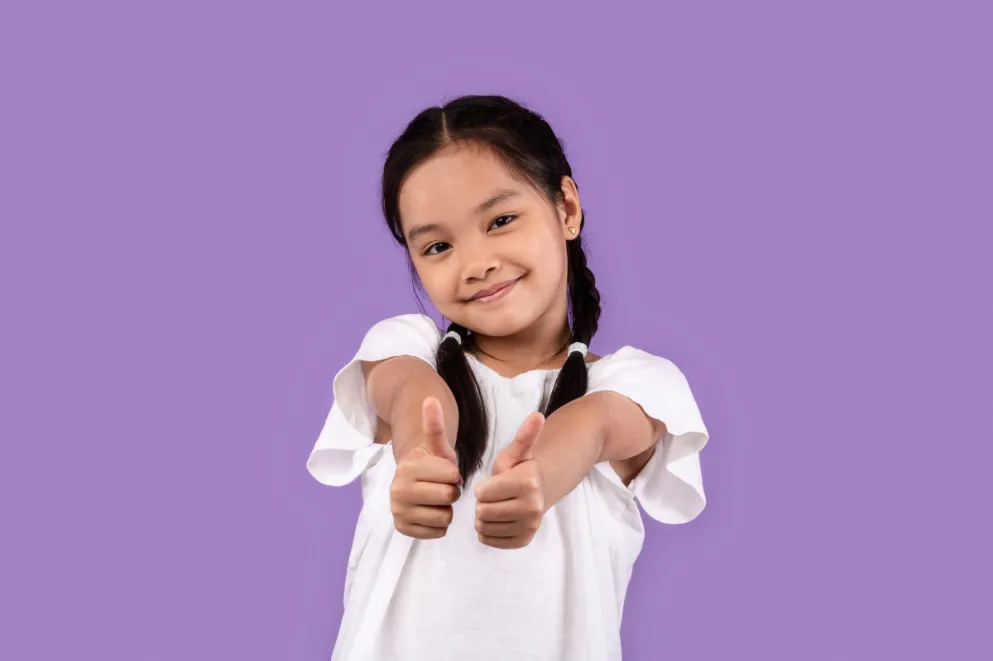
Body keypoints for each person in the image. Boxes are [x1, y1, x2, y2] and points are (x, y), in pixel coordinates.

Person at [307, 94, 710, 661]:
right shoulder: (404, 347)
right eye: (438, 246)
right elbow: (408, 394)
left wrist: (539, 481)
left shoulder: (636, 383)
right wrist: (421, 453)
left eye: (500, 220)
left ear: (566, 208)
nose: (476, 263)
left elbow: (593, 427)